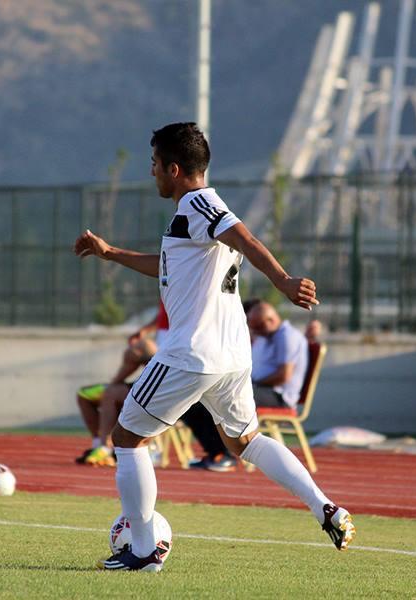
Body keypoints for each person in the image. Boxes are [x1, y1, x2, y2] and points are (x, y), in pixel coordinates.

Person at [74, 122, 354, 572]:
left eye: (154, 164)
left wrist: (283, 281)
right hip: (231, 356)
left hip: (192, 352)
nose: (151, 172)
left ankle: (143, 550)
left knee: (126, 438)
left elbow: (246, 238)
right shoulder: (193, 217)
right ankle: (325, 507)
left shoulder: (199, 202)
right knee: (245, 441)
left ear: (174, 169)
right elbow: (168, 265)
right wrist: (111, 253)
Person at [75, 301, 167, 467]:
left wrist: (139, 350)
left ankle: (108, 447)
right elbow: (163, 315)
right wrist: (145, 331)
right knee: (85, 394)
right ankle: (99, 445)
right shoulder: (169, 296)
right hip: (149, 382)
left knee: (111, 393)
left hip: (168, 384)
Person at [247, 301, 309, 409]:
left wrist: (255, 383)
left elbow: (283, 376)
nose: (256, 332)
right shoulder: (267, 335)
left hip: (279, 396)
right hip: (263, 389)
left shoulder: (287, 336)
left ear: (271, 320)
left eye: (258, 327)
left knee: (235, 396)